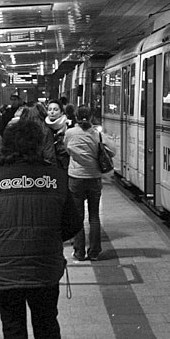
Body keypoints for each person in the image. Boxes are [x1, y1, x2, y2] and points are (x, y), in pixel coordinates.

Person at [0, 118, 81, 339]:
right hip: (45, 269)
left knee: (13, 329)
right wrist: (48, 236)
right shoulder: (56, 178)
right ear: (38, 145)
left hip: (3, 272)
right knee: (47, 326)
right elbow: (73, 224)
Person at [63, 106, 112, 262]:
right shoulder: (97, 134)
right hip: (94, 177)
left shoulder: (70, 133)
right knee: (94, 216)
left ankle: (79, 252)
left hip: (76, 177)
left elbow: (67, 149)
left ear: (76, 117)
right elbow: (112, 151)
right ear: (91, 118)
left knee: (78, 216)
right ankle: (94, 252)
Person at [44, 100, 71, 171]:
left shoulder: (69, 126)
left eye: (55, 110)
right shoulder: (44, 127)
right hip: (47, 166)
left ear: (61, 112)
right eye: (49, 109)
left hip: (64, 165)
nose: (52, 112)